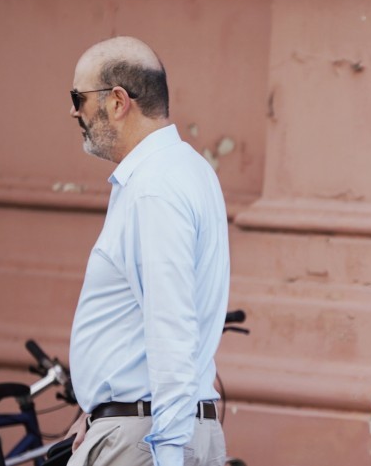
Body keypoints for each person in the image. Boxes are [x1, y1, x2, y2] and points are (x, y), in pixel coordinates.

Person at [63, 36, 230, 466]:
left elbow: (170, 324)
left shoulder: (154, 187)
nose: (74, 112)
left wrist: (166, 451)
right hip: (148, 426)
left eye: (79, 98)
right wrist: (98, 413)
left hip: (148, 436)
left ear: (118, 102)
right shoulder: (185, 171)